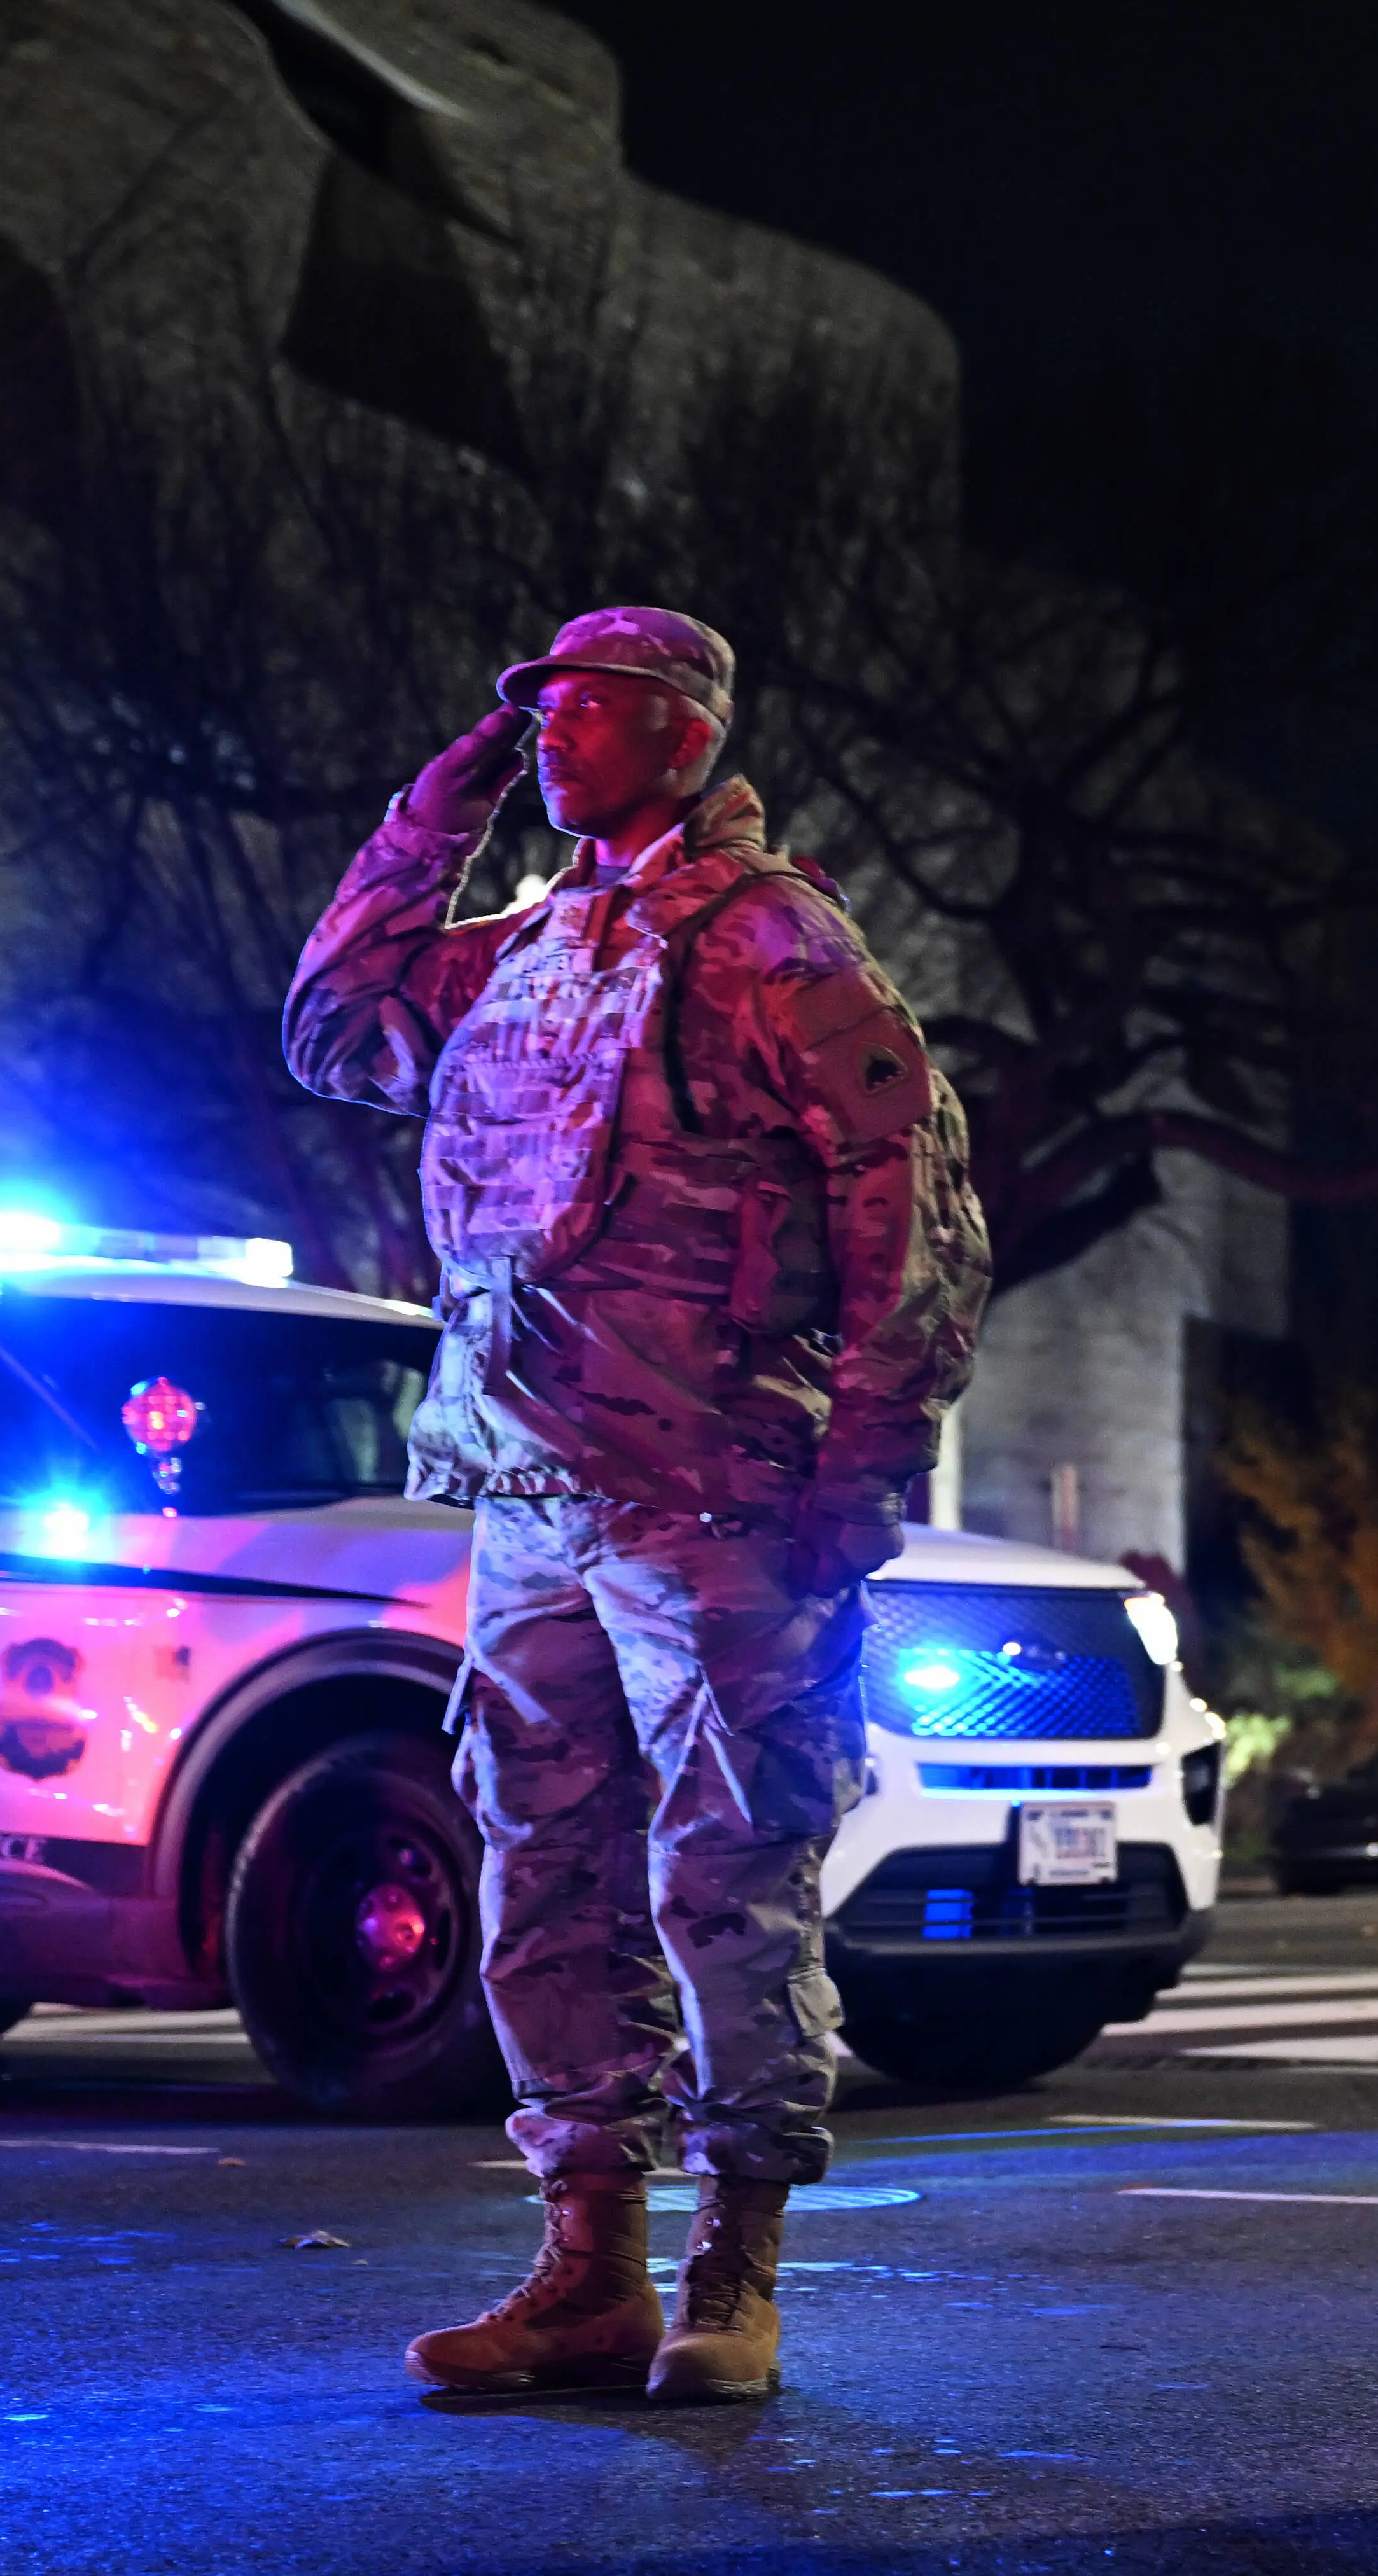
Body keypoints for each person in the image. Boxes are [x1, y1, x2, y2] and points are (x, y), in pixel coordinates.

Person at [287, 608, 985, 2403]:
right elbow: (334, 1029)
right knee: (540, 1871)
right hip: (529, 1487)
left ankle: (733, 2266)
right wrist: (423, 825)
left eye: (589, 711)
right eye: (534, 713)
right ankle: (583, 2259)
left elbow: (910, 1209)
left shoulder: (780, 948)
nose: (549, 738)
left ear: (685, 735)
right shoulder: (526, 946)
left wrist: (863, 1473)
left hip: (718, 1494)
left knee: (728, 1877)